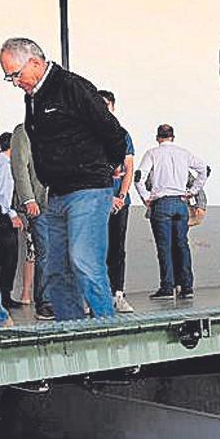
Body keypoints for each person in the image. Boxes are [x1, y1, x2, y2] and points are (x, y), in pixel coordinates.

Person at [0, 37, 128, 321]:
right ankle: (71, 328)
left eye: (15, 74)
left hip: (88, 188)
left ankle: (106, 326)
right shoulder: (32, 97)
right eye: (9, 76)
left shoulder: (72, 87)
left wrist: (108, 164)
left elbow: (111, 130)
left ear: (35, 62)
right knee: (56, 268)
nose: (14, 81)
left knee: (83, 259)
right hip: (54, 193)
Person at [136, 124, 209, 300]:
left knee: (164, 247)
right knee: (182, 246)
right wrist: (192, 191)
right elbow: (204, 169)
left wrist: (146, 197)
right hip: (181, 203)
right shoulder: (183, 153)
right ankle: (187, 287)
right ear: (173, 137)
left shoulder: (152, 153)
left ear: (157, 137)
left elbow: (139, 177)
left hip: (161, 204)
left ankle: (167, 288)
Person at [99, 90, 136, 314]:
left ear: (112, 106)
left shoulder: (122, 135)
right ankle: (95, 296)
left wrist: (121, 196)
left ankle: (117, 294)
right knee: (95, 249)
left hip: (120, 203)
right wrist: (106, 196)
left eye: (105, 105)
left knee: (117, 249)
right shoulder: (89, 134)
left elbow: (128, 168)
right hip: (97, 201)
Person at [10, 123, 52, 319]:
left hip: (65, 201)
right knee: (45, 253)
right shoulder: (24, 131)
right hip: (40, 204)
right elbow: (20, 167)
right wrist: (28, 199)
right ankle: (45, 302)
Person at [0, 132, 23, 309]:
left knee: (4, 255)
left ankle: (2, 295)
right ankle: (3, 296)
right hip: (1, 213)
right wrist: (12, 214)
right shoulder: (4, 164)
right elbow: (3, 193)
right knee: (8, 256)